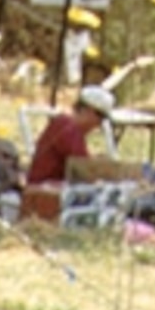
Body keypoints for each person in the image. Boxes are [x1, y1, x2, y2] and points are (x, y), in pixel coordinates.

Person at [22, 83, 125, 218]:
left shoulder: (64, 124)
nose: (99, 124)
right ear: (87, 110)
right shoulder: (69, 131)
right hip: (43, 192)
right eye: (100, 117)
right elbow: (84, 171)